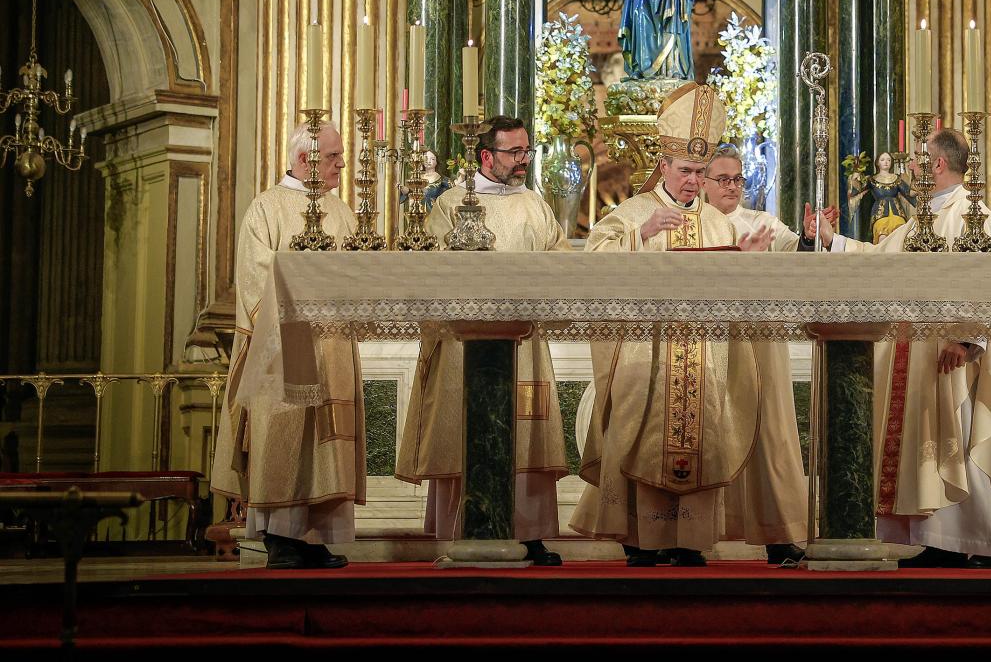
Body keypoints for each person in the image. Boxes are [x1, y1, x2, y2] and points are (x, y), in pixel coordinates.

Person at [571, 83, 773, 567]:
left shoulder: (721, 224)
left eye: (700, 174)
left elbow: (731, 297)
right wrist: (640, 236)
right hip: (647, 356)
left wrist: (742, 263)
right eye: (685, 171)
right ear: (663, 166)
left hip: (702, 356)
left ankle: (689, 540)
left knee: (702, 433)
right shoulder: (632, 213)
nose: (692, 182)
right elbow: (592, 265)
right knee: (639, 434)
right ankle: (639, 539)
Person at [810, 130, 991, 568]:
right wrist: (832, 238)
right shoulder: (922, 219)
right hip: (919, 350)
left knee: (963, 438)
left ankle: (983, 542)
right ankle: (939, 540)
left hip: (955, 355)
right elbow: (880, 260)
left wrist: (968, 339)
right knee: (931, 442)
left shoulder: (974, 214)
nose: (910, 167)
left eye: (917, 160)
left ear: (937, 165)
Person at [395, 116, 571, 566]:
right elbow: (431, 269)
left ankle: (529, 533)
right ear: (485, 155)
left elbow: (560, 262)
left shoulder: (536, 205)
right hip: (464, 345)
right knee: (467, 428)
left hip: (524, 341)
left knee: (525, 433)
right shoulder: (451, 205)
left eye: (526, 152)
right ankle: (464, 527)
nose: (522, 162)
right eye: (514, 153)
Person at [210, 122, 363, 570]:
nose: (341, 164)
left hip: (331, 343)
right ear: (304, 161)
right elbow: (256, 280)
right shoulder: (266, 208)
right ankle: (279, 536)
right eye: (334, 156)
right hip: (282, 347)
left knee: (322, 441)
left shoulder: (341, 210)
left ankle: (313, 536)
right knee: (284, 435)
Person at [704, 145, 830, 565]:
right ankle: (694, 534)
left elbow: (801, 263)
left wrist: (812, 237)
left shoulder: (762, 223)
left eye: (738, 178)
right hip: (709, 343)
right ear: (702, 183)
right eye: (723, 179)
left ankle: (779, 533)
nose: (733, 187)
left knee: (770, 434)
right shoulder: (693, 224)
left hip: (761, 339)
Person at [848, 151, 915, 244]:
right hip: (880, 213)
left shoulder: (896, 178)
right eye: (882, 160)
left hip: (897, 213)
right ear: (877, 163)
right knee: (882, 236)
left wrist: (920, 186)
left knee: (900, 235)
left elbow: (908, 193)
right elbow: (858, 189)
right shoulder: (872, 179)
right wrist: (856, 174)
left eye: (888, 160)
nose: (886, 162)